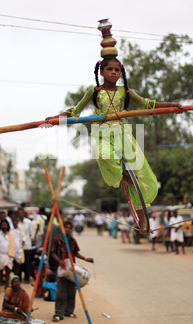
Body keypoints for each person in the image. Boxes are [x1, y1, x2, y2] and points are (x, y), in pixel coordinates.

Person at [45, 56, 183, 234]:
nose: (113, 72)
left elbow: (149, 104)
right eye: (109, 69)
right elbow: (75, 111)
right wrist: (56, 119)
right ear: (101, 72)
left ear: (121, 73)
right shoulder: (93, 91)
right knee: (104, 154)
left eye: (117, 70)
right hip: (102, 134)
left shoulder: (125, 92)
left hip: (123, 133)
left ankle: (142, 218)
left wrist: (171, 105)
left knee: (140, 172)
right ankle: (124, 176)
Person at [51, 220, 94, 322]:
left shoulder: (72, 241)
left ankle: (69, 311)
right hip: (62, 268)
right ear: (63, 228)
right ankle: (58, 313)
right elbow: (52, 252)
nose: (68, 229)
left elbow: (75, 253)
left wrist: (85, 259)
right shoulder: (57, 240)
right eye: (66, 227)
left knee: (71, 291)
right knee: (61, 292)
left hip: (72, 269)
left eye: (70, 228)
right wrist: (59, 261)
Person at [0, 219, 15, 293]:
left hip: (8, 255)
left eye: (5, 224)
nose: (4, 226)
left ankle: (6, 287)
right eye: (2, 224)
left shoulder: (10, 234)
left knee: (8, 272)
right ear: (0, 226)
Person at [17, 207, 34, 283]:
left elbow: (31, 234)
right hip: (19, 246)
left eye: (21, 213)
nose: (20, 215)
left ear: (24, 214)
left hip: (27, 245)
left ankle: (27, 278)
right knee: (19, 263)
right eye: (19, 213)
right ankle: (19, 278)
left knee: (27, 263)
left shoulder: (29, 222)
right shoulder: (16, 223)